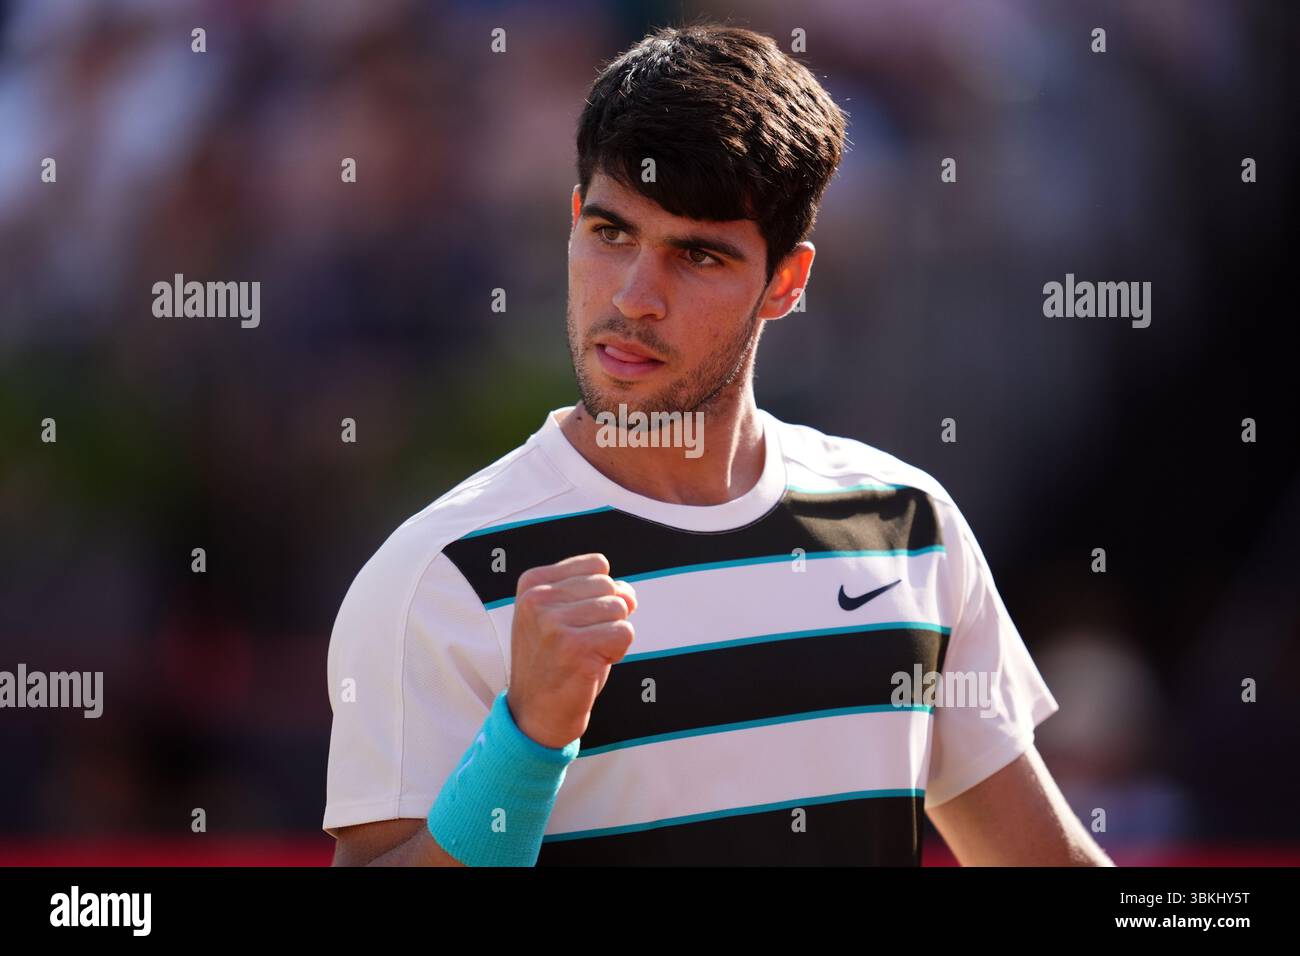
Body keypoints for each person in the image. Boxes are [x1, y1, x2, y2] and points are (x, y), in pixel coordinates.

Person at [323, 22, 1112, 866]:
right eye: (611, 233)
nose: (635, 296)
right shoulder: (436, 575)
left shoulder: (910, 526)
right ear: (573, 222)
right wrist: (525, 742)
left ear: (786, 283)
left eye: (696, 255)